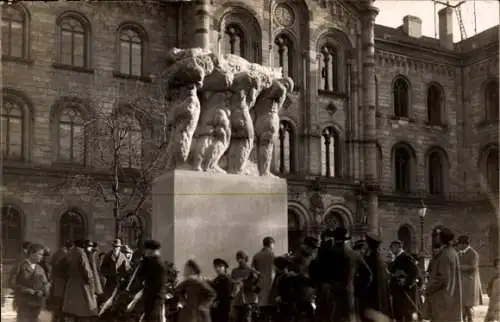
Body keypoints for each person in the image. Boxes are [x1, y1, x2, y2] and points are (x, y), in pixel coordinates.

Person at [315, 227, 371, 322]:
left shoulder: (327, 253)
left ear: (334, 238)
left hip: (331, 291)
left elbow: (319, 274)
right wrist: (358, 288)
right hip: (349, 291)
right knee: (349, 316)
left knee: (332, 316)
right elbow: (368, 274)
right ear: (346, 239)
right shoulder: (354, 254)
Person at [425, 227, 462, 322]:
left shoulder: (445, 254)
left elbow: (442, 278)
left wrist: (428, 288)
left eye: (436, 236)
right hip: (450, 297)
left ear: (441, 238)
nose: (434, 239)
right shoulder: (452, 252)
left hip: (442, 298)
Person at [11, 243, 50, 322]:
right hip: (23, 303)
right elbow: (12, 283)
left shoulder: (40, 268)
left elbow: (46, 283)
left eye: (42, 255)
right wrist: (26, 289)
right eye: (39, 254)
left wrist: (43, 291)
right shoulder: (20, 266)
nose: (41, 257)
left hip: (36, 303)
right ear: (32, 253)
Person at [62, 239, 98, 321]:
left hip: (71, 284)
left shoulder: (70, 252)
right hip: (82, 286)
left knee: (71, 313)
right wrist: (92, 286)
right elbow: (87, 271)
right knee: (84, 313)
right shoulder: (81, 253)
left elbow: (64, 268)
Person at [361, 232, 391, 322]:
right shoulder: (377, 257)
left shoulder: (372, 259)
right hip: (376, 296)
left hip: (372, 295)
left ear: (368, 244)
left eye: (365, 243)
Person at [388, 240, 419, 322]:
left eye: (393, 247)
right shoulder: (397, 257)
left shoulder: (405, 257)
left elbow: (414, 271)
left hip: (405, 292)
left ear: (398, 247)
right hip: (398, 291)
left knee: (406, 313)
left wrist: (406, 283)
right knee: (399, 313)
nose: (391, 249)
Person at [456, 235, 483, 322]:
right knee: (462, 306)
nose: (458, 246)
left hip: (470, 284)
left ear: (464, 244)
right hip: (462, 283)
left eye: (459, 244)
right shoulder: (459, 253)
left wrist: (459, 267)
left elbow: (473, 267)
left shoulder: (473, 254)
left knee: (468, 307)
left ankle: (470, 320)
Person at [231, 251, 261, 322]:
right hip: (238, 301)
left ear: (246, 259)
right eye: (238, 258)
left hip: (249, 301)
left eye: (241, 258)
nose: (239, 260)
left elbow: (258, 286)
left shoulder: (252, 271)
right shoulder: (234, 271)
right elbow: (233, 284)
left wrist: (253, 280)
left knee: (247, 319)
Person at [252, 236, 276, 320]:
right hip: (271, 288)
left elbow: (253, 273)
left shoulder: (256, 256)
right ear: (271, 244)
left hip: (260, 288)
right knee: (271, 314)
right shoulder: (272, 255)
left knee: (262, 314)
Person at [49, 241, 72, 322]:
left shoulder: (57, 253)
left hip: (56, 281)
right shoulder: (65, 255)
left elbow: (51, 264)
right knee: (60, 304)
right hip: (61, 282)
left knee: (57, 303)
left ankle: (56, 319)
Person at [485, 256, 500, 322]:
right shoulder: (493, 279)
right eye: (498, 265)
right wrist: (490, 292)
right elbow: (488, 290)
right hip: (492, 305)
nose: (499, 267)